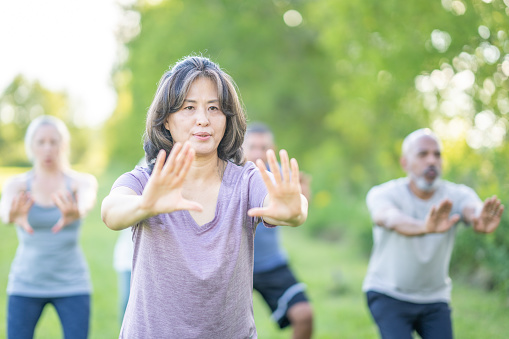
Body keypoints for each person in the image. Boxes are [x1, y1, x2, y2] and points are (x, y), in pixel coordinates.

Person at [101, 55, 308, 338]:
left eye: (214, 108)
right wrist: (145, 204)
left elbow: (287, 208)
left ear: (227, 119)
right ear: (166, 121)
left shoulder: (246, 180)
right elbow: (111, 211)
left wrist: (292, 209)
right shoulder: (146, 180)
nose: (203, 120)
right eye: (189, 107)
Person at [362, 128, 504, 339]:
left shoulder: (457, 194)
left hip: (434, 299)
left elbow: (472, 209)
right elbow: (389, 218)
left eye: (437, 154)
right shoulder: (384, 193)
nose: (432, 161)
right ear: (405, 163)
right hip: (388, 294)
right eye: (422, 154)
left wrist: (479, 218)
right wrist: (424, 227)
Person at [0, 115, 98, 339]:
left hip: (72, 284)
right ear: (31, 146)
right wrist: (11, 214)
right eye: (41, 142)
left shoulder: (79, 182)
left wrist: (78, 211)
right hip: (25, 283)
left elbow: (87, 199)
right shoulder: (16, 185)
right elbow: (4, 210)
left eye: (54, 142)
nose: (47, 148)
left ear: (63, 146)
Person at [243, 123, 313, 339]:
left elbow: (297, 212)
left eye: (264, 147)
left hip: (271, 264)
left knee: (304, 316)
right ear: (240, 147)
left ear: (272, 148)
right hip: (233, 265)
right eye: (252, 146)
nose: (258, 152)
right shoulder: (227, 174)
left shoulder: (281, 177)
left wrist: (304, 197)